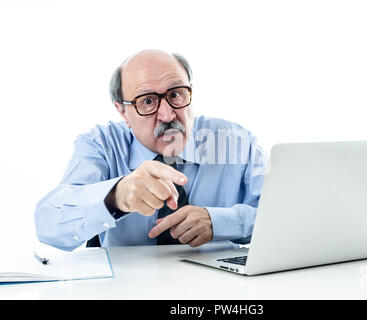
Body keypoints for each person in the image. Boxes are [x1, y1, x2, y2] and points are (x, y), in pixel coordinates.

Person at [34, 49, 268, 251]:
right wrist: (116, 195)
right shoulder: (101, 144)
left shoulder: (237, 142)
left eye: (175, 94)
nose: (167, 115)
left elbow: (289, 217)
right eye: (147, 101)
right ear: (123, 112)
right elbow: (48, 224)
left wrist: (221, 222)